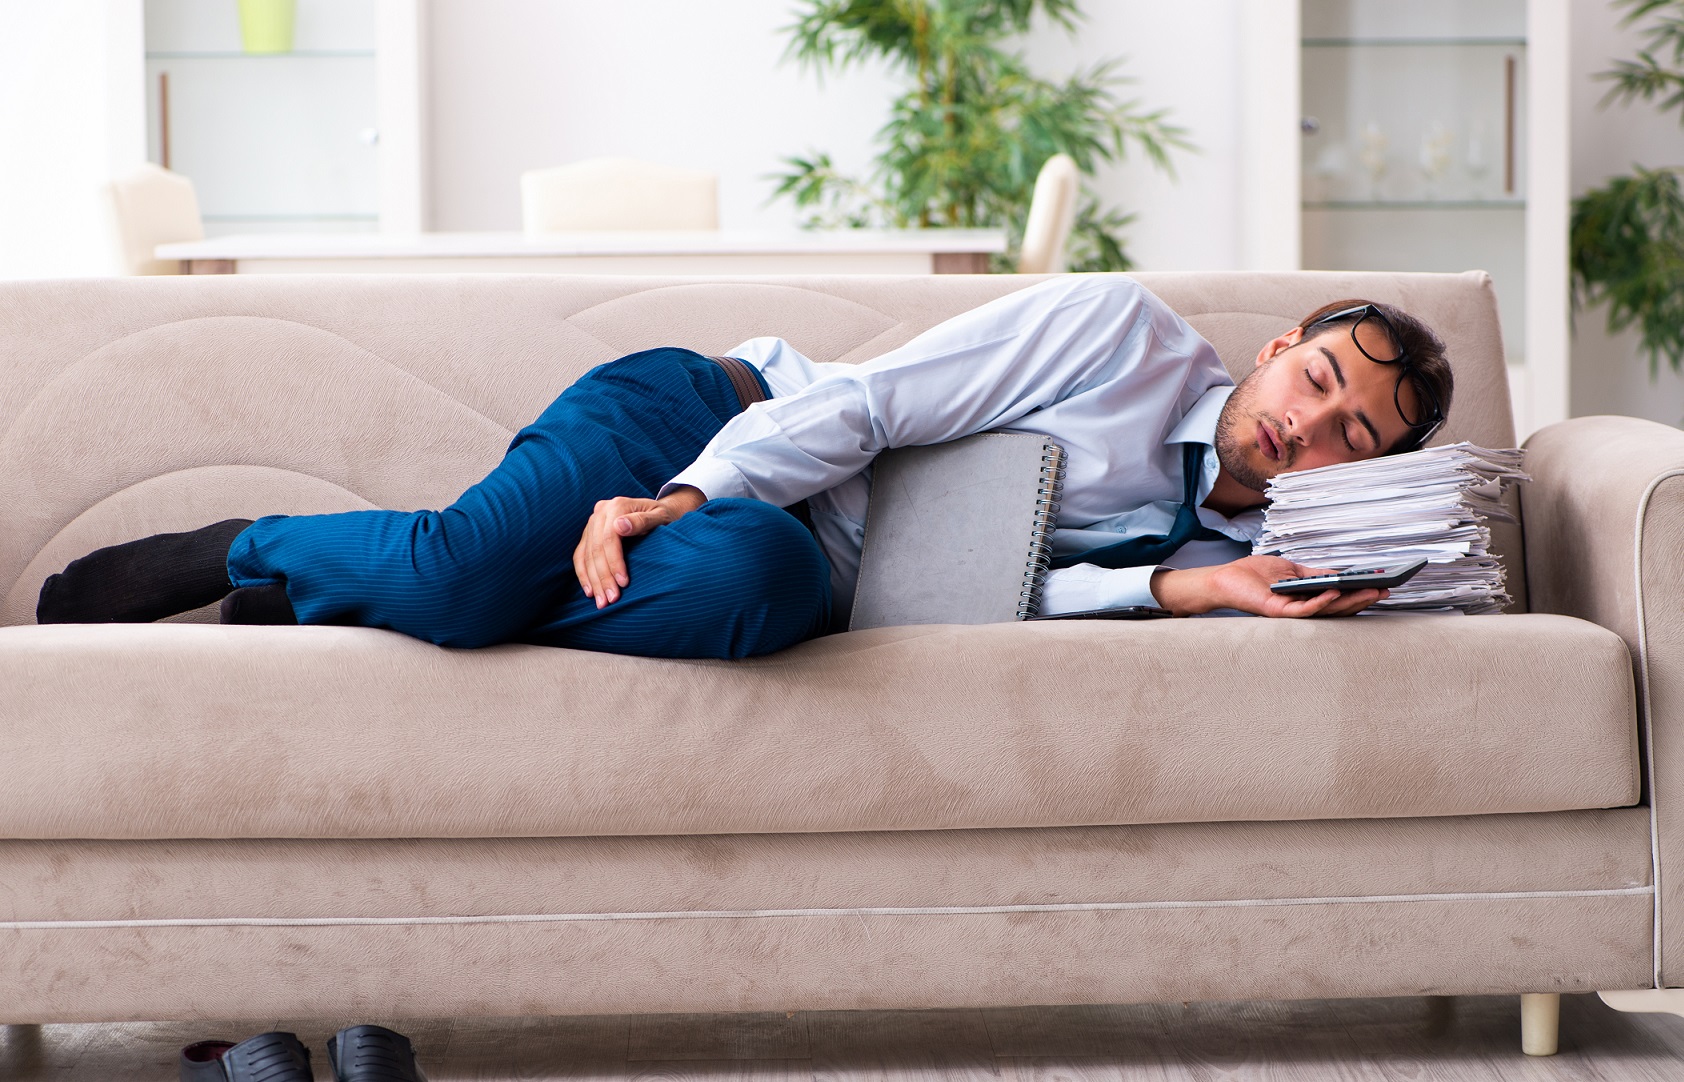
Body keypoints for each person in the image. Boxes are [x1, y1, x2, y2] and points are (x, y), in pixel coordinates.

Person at [35, 276, 1452, 659]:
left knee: (767, 588)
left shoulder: (1217, 561)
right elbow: (882, 403)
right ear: (1277, 347)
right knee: (468, 580)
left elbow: (985, 606)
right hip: (702, 424)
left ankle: (380, 589)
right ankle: (255, 552)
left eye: (1353, 441)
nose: (1308, 430)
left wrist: (1192, 597)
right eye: (1315, 382)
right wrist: (690, 489)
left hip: (789, 569)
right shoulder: (1122, 336)